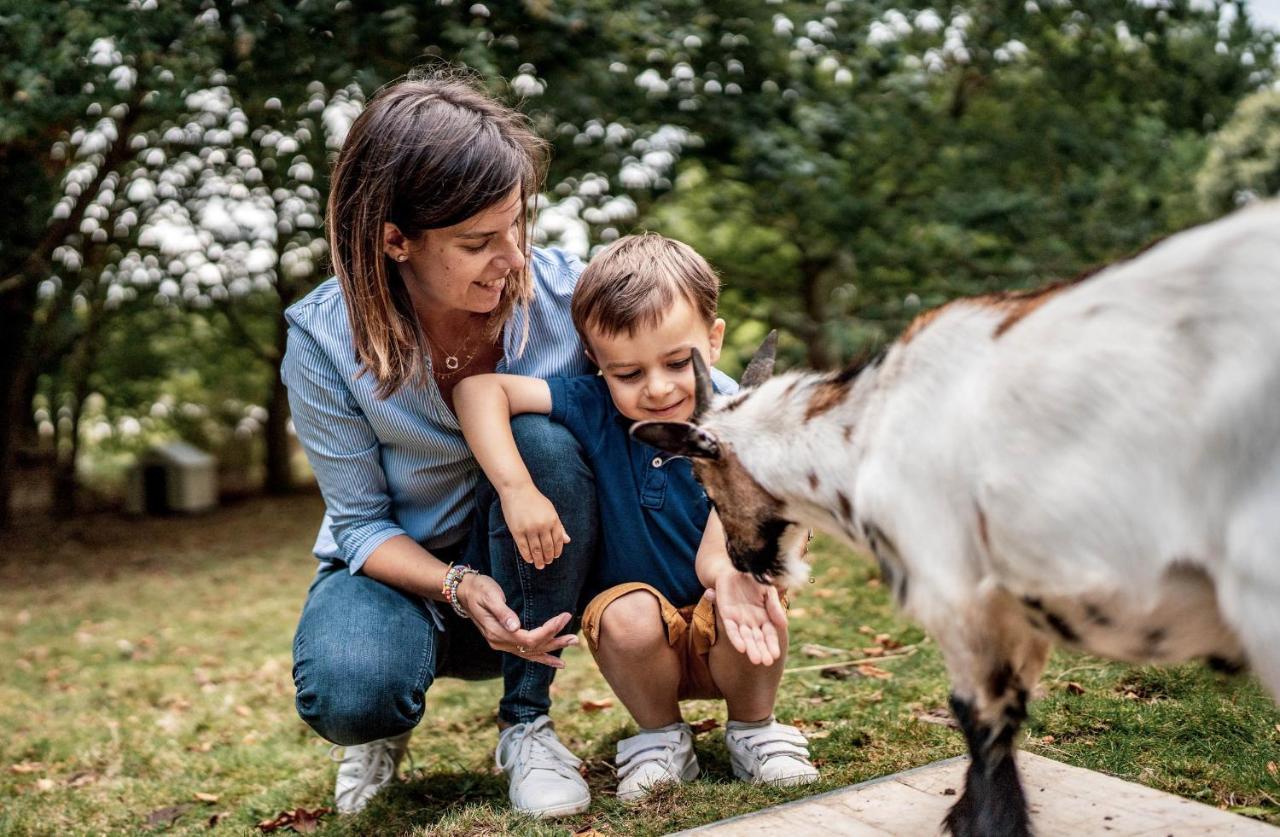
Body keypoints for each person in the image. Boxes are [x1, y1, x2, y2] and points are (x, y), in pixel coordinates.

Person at [281, 69, 600, 818]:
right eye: (478, 241)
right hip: (409, 584)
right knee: (352, 693)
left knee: (540, 439)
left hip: (542, 579)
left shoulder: (568, 296)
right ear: (395, 240)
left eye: (518, 224)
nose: (513, 257)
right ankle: (381, 726)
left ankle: (528, 724)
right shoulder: (325, 339)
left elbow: (695, 391)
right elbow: (358, 524)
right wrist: (457, 585)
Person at [454, 233, 819, 802]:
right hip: (637, 634)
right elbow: (477, 391)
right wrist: (517, 488)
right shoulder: (591, 402)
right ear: (597, 363)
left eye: (678, 362)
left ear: (714, 340)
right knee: (625, 616)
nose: (656, 389)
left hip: (727, 612)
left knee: (746, 594)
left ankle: (755, 729)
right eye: (627, 374)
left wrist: (726, 570)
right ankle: (659, 737)